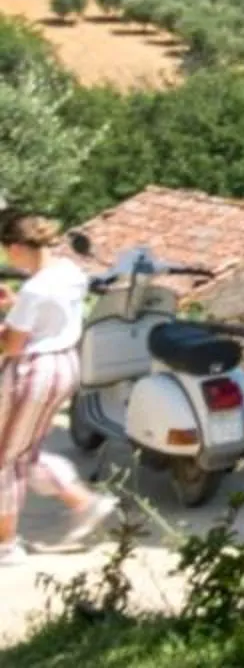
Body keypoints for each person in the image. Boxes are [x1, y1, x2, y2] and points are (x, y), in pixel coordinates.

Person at [0, 213, 112, 557]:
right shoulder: (69, 272)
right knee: (24, 450)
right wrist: (15, 307)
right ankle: (83, 502)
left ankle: (6, 545)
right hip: (65, 364)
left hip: (33, 370)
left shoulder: (34, 289)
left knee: (6, 458)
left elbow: (12, 345)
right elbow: (51, 316)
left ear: (16, 248)